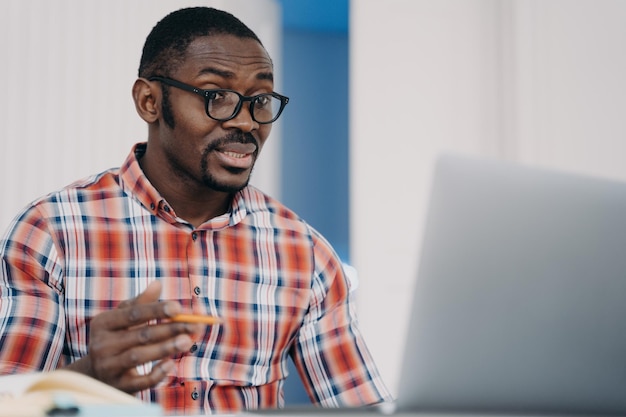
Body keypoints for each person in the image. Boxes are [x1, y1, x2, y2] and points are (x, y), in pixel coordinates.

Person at [0, 6, 391, 415]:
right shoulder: (51, 231)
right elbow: (10, 404)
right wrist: (90, 375)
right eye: (216, 96)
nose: (246, 121)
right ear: (149, 101)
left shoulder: (305, 253)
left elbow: (361, 406)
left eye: (260, 100)